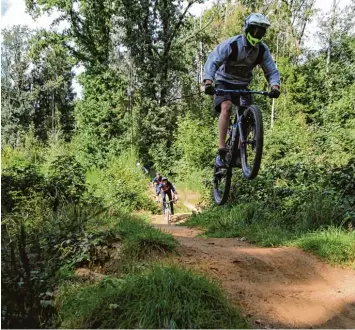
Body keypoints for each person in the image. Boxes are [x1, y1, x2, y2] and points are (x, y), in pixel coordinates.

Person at [203, 13, 281, 168]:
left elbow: (271, 70)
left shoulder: (262, 50)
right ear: (247, 28)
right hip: (224, 81)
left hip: (243, 84)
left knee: (245, 115)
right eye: (254, 31)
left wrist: (275, 86)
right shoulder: (232, 44)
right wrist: (208, 81)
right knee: (226, 108)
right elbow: (213, 60)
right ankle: (221, 151)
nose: (256, 35)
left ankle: (239, 152)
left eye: (260, 32)